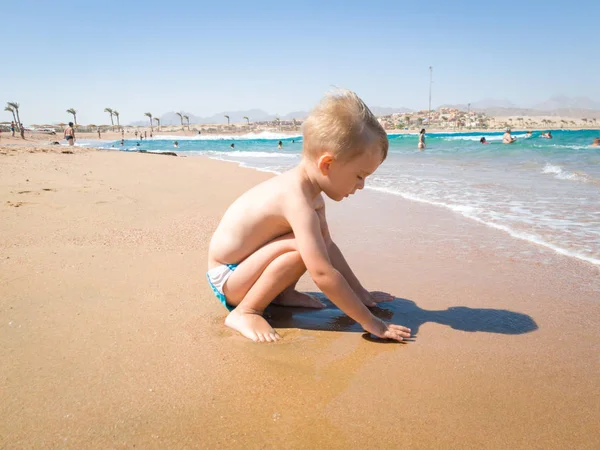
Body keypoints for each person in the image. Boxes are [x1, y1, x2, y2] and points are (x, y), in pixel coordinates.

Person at [206, 89, 412, 343]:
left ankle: (281, 294)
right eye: (360, 176)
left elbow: (328, 246)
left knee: (312, 243)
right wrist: (370, 322)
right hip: (228, 278)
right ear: (327, 164)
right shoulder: (297, 200)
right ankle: (247, 311)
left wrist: (360, 293)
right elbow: (322, 273)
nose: (361, 186)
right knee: (304, 247)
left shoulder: (310, 194)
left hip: (246, 269)